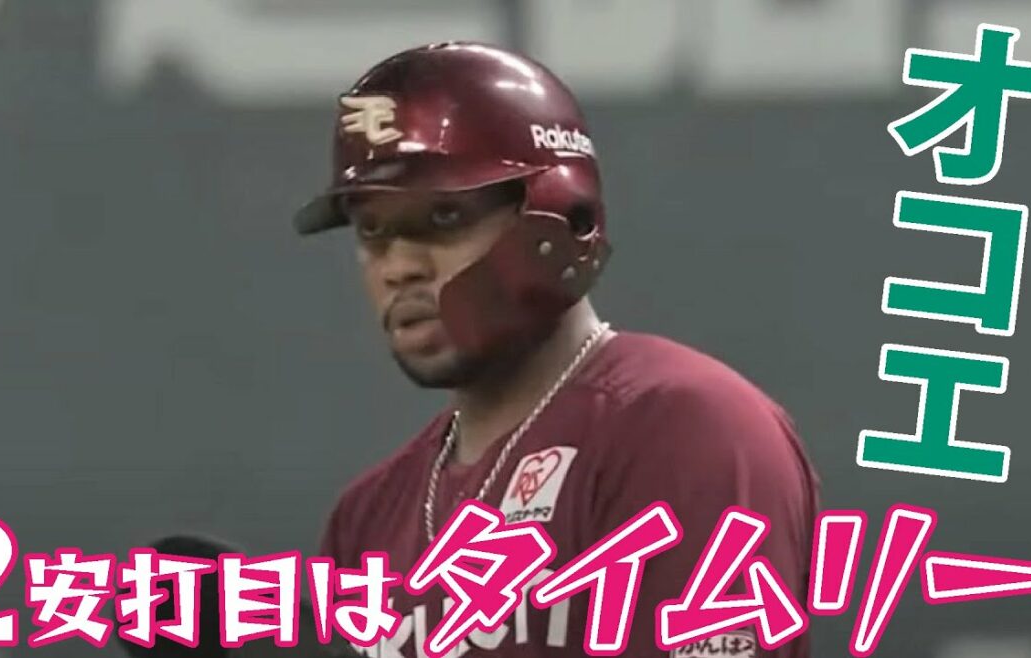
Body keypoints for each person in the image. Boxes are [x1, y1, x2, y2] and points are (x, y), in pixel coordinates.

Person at [293, 41, 820, 658]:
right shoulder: (368, 517)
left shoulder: (684, 427)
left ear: (561, 214)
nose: (399, 266)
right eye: (372, 231)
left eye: (444, 218)